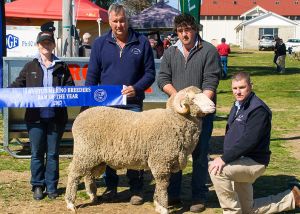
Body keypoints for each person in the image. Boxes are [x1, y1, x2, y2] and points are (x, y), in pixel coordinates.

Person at [85, 3, 155, 205]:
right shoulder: (99, 43)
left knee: (136, 146)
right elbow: (92, 75)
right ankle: (112, 186)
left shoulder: (141, 42)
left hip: (132, 104)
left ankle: (136, 188)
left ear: (128, 20)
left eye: (122, 20)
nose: (119, 25)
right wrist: (90, 102)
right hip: (107, 106)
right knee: (109, 147)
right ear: (109, 21)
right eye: (115, 21)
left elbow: (150, 73)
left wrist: (138, 87)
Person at [209, 72, 300, 213]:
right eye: (235, 88)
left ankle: (231, 212)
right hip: (239, 159)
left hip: (255, 162)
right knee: (247, 209)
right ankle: (293, 198)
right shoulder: (237, 105)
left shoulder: (258, 110)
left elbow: (249, 141)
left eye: (242, 87)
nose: (238, 92)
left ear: (250, 86)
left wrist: (224, 159)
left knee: (217, 171)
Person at [157, 13, 221, 213]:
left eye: (188, 30)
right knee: (174, 154)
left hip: (200, 115)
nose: (185, 34)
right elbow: (163, 79)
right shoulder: (170, 52)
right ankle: (174, 194)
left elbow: (211, 81)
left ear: (195, 29)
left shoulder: (209, 51)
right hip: (176, 116)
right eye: (180, 31)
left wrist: (198, 105)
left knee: (200, 155)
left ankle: (198, 196)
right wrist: (178, 98)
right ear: (176, 32)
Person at [9, 22, 74, 200]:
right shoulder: (30, 66)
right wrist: (4, 93)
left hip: (56, 118)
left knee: (53, 154)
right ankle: (38, 185)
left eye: (49, 43)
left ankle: (52, 186)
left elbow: (70, 88)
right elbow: (17, 85)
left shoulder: (62, 67)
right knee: (37, 153)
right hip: (35, 118)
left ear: (53, 45)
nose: (46, 46)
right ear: (38, 45)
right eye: (43, 43)